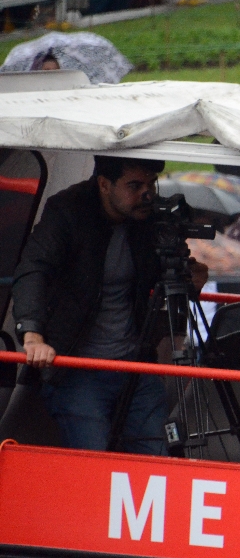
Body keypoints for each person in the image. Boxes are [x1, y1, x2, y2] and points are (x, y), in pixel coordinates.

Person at [12, 156, 207, 454]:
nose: (148, 194)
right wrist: (32, 335)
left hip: (136, 363)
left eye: (151, 184)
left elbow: (163, 275)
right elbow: (34, 270)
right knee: (94, 458)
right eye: (134, 185)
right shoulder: (68, 211)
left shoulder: (149, 219)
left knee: (158, 456)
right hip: (78, 368)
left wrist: (189, 279)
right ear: (104, 184)